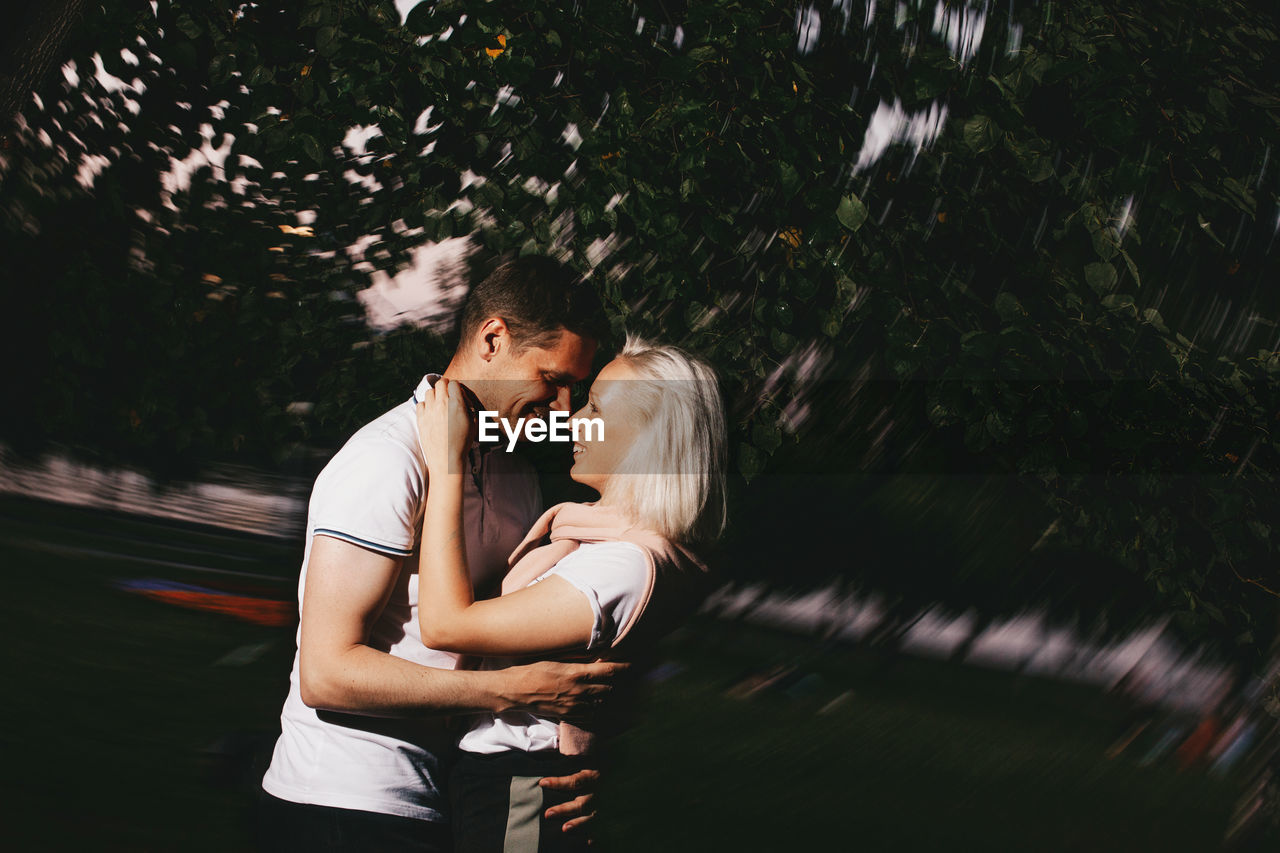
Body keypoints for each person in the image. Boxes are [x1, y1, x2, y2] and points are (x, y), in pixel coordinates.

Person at [258, 256, 622, 852]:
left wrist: (563, 774)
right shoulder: (388, 457)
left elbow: (503, 643)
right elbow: (325, 674)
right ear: (492, 338)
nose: (562, 408)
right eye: (551, 378)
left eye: (574, 389)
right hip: (343, 804)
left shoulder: (516, 470)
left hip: (453, 794)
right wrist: (517, 691)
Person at [415, 335, 727, 851]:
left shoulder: (624, 565)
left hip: (518, 789)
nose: (572, 418)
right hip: (506, 784)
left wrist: (445, 463)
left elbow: (447, 625)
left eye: (596, 407)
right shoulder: (616, 542)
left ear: (650, 436)